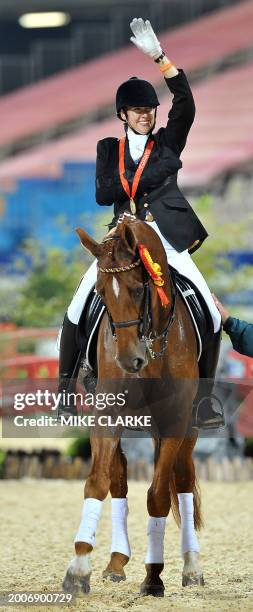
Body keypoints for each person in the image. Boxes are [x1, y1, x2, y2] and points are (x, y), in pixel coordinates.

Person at [58, 18, 223, 429]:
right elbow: (103, 193)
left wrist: (160, 59)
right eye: (137, 110)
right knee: (77, 306)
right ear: (123, 114)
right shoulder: (107, 149)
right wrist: (153, 174)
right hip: (123, 244)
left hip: (167, 242)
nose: (146, 116)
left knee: (213, 315)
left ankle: (203, 400)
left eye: (149, 110)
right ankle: (65, 391)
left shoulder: (168, 142)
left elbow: (186, 104)